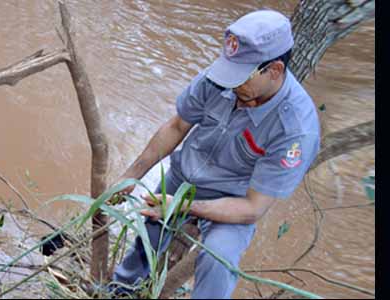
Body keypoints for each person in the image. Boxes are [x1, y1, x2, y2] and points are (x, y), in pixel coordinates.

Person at [108, 10, 320, 299]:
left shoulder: (295, 130)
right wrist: (130, 176)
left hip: (233, 201)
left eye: (241, 77)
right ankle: (121, 291)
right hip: (183, 177)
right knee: (149, 238)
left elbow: (252, 209)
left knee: (218, 260)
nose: (231, 85)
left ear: (275, 71)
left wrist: (185, 206)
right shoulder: (220, 78)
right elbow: (177, 125)